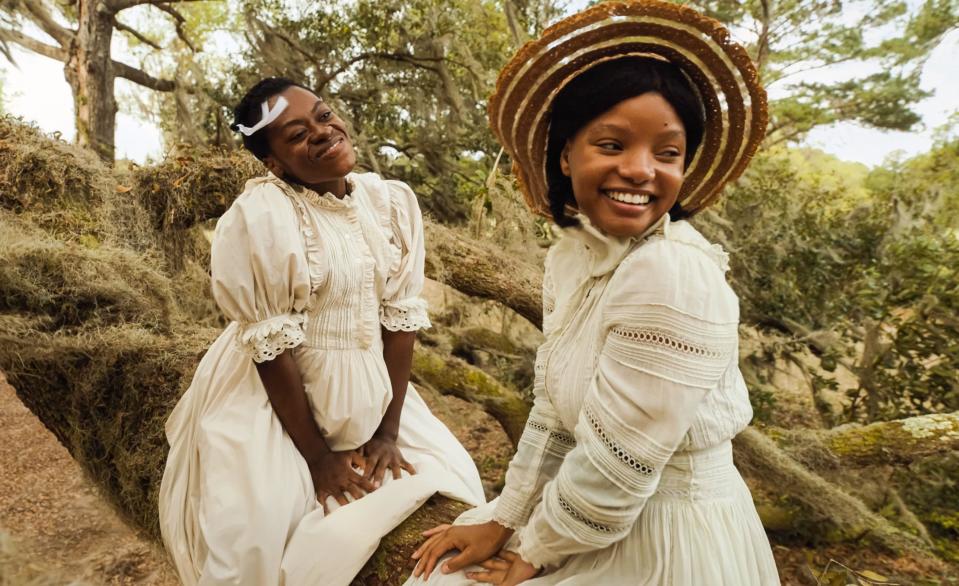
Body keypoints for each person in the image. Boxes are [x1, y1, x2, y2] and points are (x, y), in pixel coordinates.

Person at [406, 1, 779, 584]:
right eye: (611, 145)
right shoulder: (572, 258)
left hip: (667, 539)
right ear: (565, 154)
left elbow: (621, 464)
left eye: (667, 153)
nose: (640, 170)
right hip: (592, 521)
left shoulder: (671, 271)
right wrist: (505, 516)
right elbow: (556, 411)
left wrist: (533, 551)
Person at [158, 77, 485, 586]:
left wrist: (388, 432)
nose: (321, 132)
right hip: (278, 400)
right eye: (295, 135)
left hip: (372, 387)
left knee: (455, 481)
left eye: (324, 115)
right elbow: (271, 350)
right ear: (275, 163)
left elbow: (398, 323)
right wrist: (317, 459)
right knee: (253, 540)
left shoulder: (388, 203)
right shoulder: (264, 215)